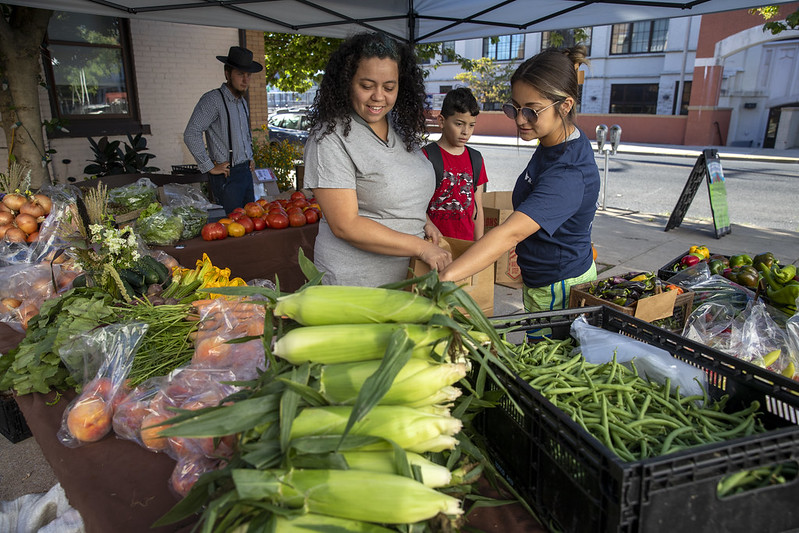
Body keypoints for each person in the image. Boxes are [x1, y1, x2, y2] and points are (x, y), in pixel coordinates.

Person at [440, 45, 599, 315]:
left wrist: (447, 277)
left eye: (531, 111)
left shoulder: (568, 173)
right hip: (543, 278)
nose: (520, 120)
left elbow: (509, 233)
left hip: (557, 287)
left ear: (565, 105)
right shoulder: (556, 139)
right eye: (515, 108)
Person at [303, 32, 452, 287]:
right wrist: (420, 247)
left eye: (389, 87)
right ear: (347, 82)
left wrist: (424, 222)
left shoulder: (399, 128)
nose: (379, 96)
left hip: (407, 279)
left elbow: (400, 188)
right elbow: (345, 225)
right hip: (355, 284)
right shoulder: (328, 138)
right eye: (367, 86)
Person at [184, 46, 261, 214]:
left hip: (246, 173)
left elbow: (244, 135)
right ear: (227, 74)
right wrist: (209, 166)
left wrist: (250, 156)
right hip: (227, 175)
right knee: (231, 228)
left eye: (248, 75)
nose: (245, 80)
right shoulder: (212, 100)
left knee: (250, 224)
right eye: (240, 74)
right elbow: (191, 133)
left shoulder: (242, 102)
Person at [424, 87, 488, 241]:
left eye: (471, 125)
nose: (466, 131)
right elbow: (413, 206)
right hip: (432, 246)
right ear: (442, 121)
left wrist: (478, 246)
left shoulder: (476, 159)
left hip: (465, 248)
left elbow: (477, 209)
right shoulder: (426, 156)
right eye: (459, 124)